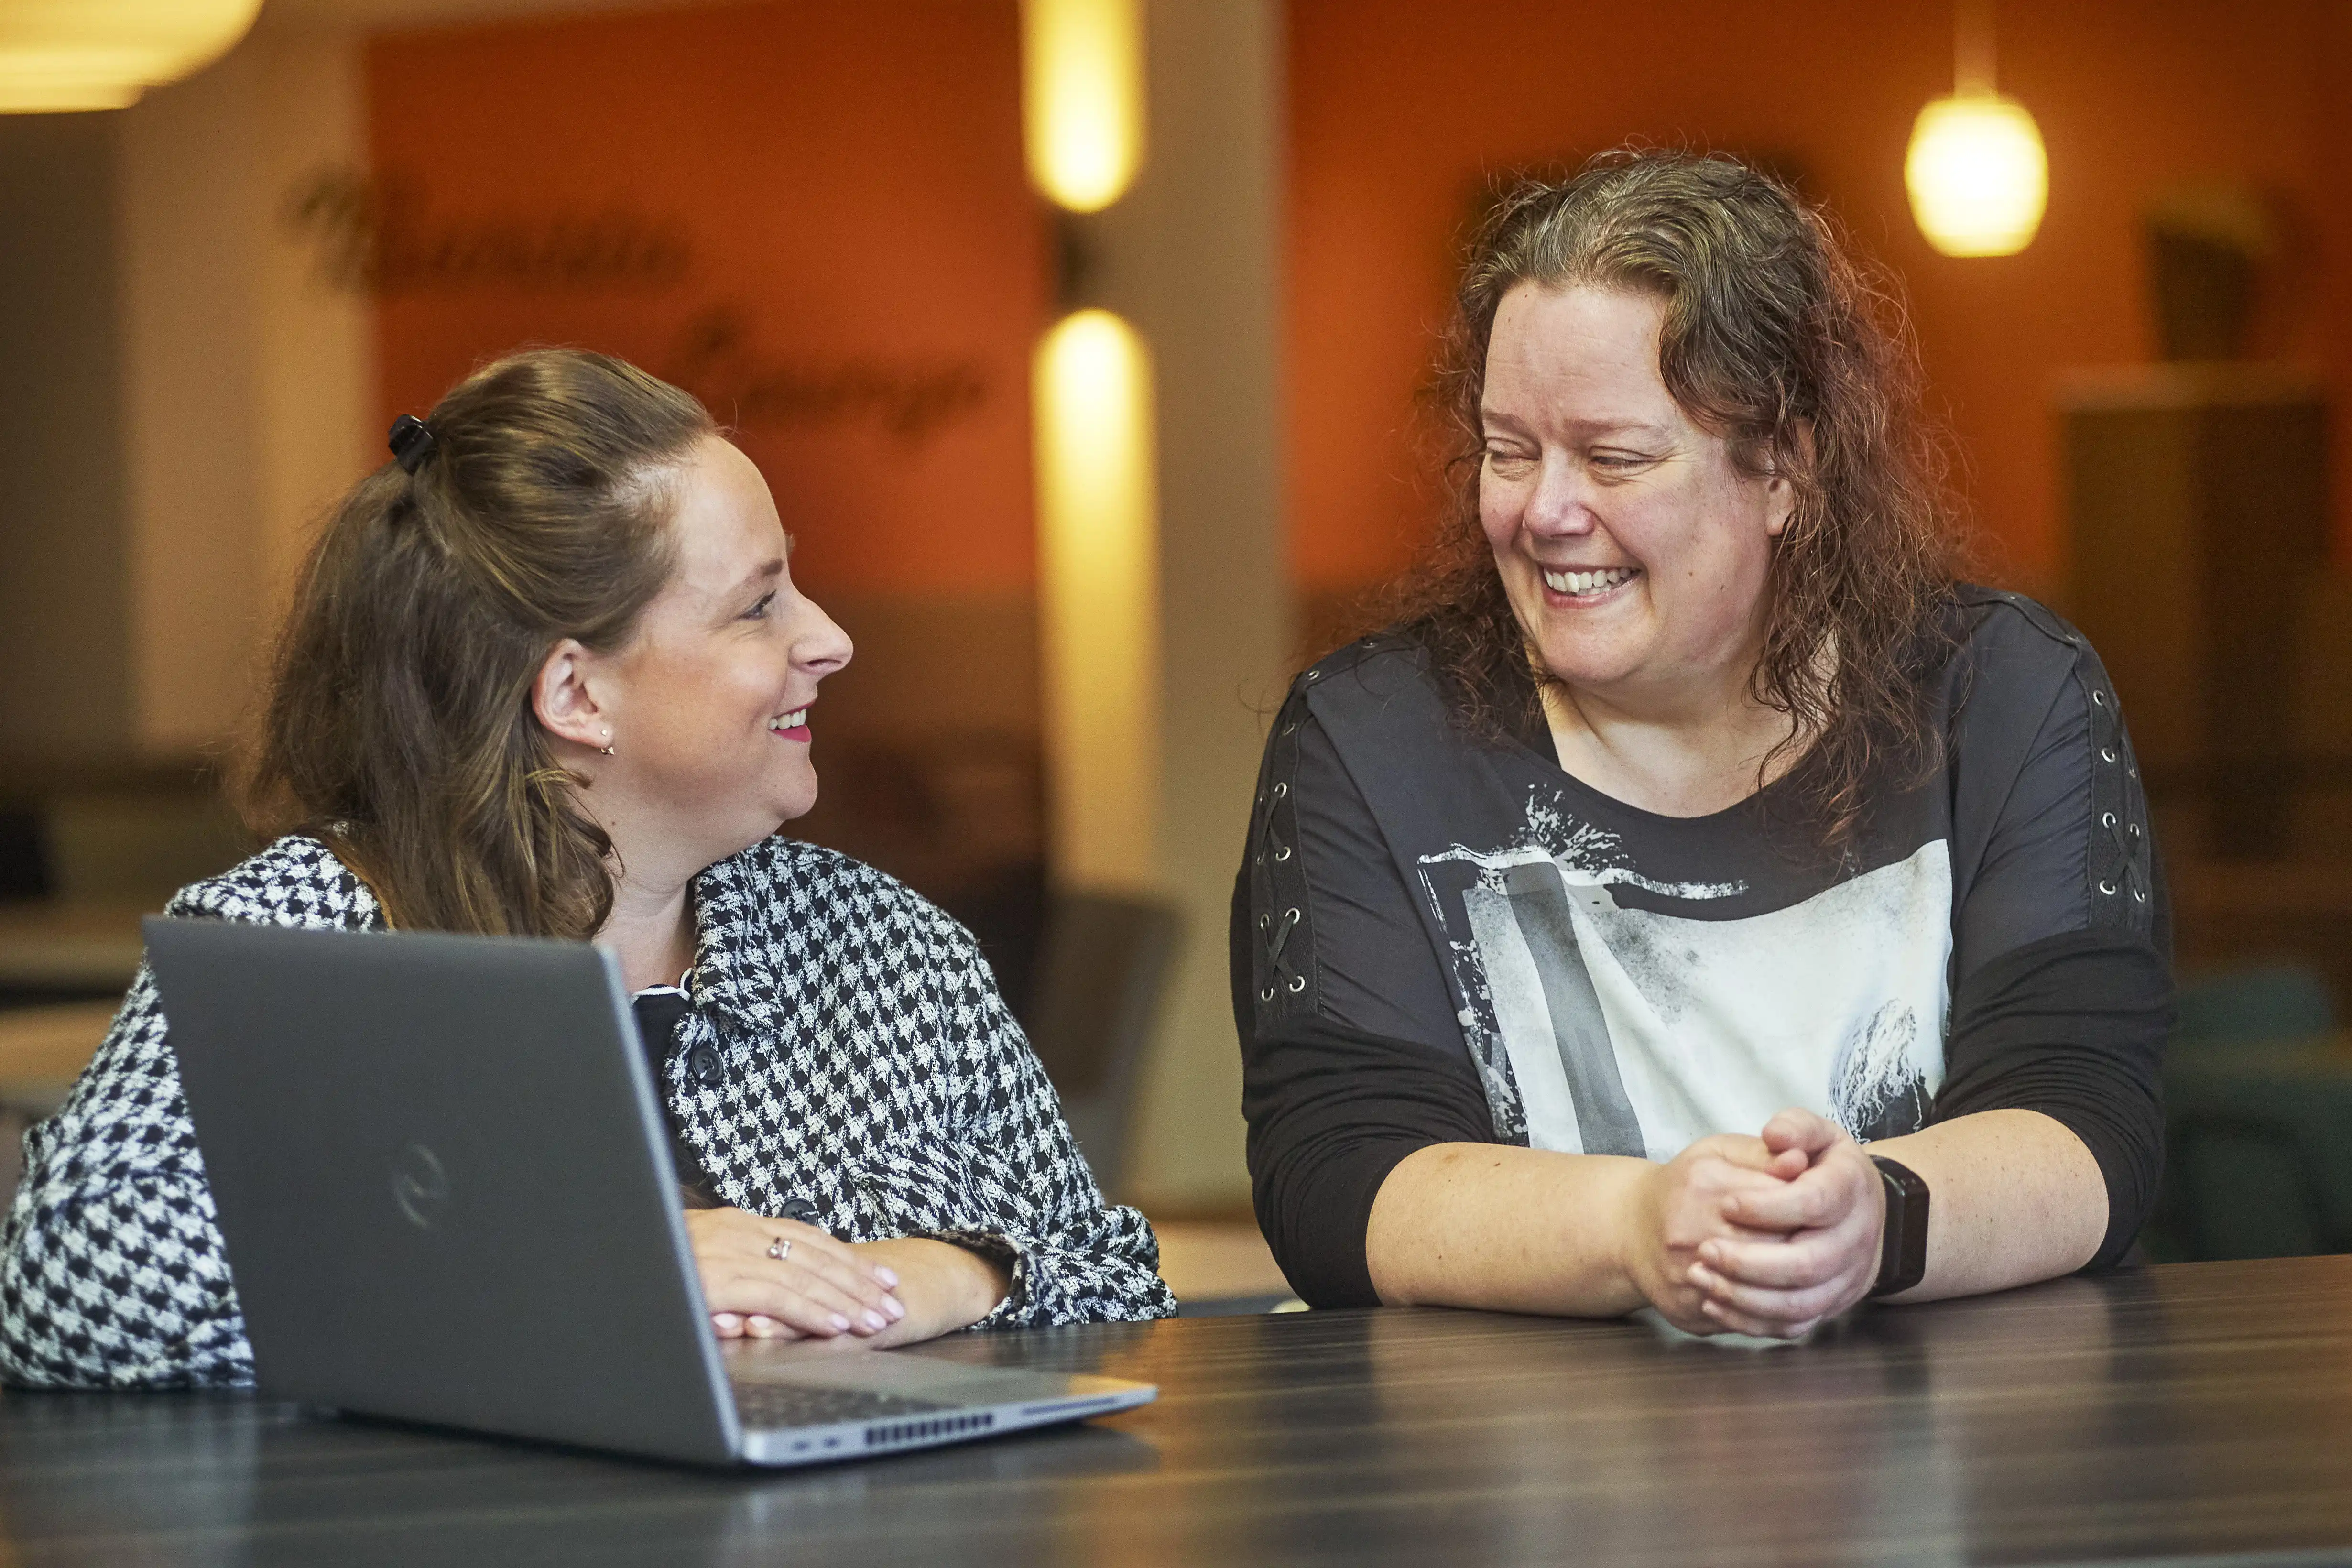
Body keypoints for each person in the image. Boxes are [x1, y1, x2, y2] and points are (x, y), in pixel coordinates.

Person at [1, 349, 1174, 1390]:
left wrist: (957, 1274)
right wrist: (603, 1254)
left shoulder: (879, 942)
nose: (830, 637)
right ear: (574, 692)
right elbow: (62, 1294)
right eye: (759, 605)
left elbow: (1115, 1271)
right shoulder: (294, 939)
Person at [1235, 151, 2169, 1339]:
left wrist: (1873, 1222)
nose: (1542, 510)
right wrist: (1640, 1226)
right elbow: (1338, 1171)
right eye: (1509, 449)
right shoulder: (1372, 742)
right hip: (1519, 1488)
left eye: (1615, 456)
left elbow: (2090, 1117)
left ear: (1785, 465)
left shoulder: (2005, 697)